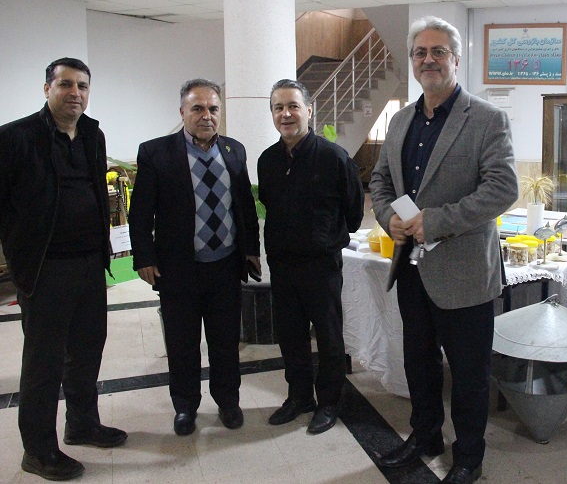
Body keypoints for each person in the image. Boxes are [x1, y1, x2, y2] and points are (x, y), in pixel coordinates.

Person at [370, 17, 518, 484]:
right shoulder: (400, 120)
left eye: (438, 52)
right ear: (412, 61)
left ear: (455, 58)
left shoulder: (487, 119)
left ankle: (469, 455)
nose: (428, 60)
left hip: (464, 272)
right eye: (420, 52)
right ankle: (425, 436)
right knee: (419, 363)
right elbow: (380, 181)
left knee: (470, 373)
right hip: (411, 270)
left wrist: (435, 221)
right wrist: (388, 218)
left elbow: (502, 189)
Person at [0, 58, 127, 481]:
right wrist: (17, 253)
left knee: (87, 349)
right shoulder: (15, 138)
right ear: (47, 89)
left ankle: (82, 424)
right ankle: (38, 450)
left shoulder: (92, 134)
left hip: (89, 263)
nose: (75, 93)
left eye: (82, 86)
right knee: (44, 362)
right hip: (44, 269)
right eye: (66, 84)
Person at [128, 78, 261, 436]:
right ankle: (185, 406)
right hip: (178, 270)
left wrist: (251, 250)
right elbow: (140, 212)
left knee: (225, 342)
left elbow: (245, 207)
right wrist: (143, 256)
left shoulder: (234, 150)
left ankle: (228, 402)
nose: (206, 116)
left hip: (225, 267)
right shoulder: (156, 153)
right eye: (197, 108)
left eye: (213, 109)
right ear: (182, 111)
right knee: (182, 343)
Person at [257, 79, 364, 435]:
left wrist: (325, 236)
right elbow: (270, 204)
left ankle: (329, 402)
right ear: (273, 114)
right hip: (282, 265)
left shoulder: (334, 157)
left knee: (329, 338)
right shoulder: (268, 161)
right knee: (290, 337)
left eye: (293, 106)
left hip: (322, 266)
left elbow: (354, 213)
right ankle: (299, 396)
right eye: (278, 108)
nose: (286, 114)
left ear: (309, 110)